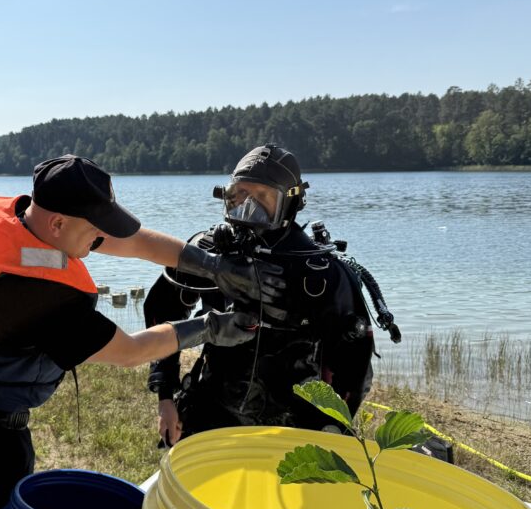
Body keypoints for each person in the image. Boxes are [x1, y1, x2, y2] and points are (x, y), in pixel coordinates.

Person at [0, 154, 283, 509]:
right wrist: (208, 328)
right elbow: (129, 351)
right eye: (94, 228)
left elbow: (130, 241)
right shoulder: (30, 293)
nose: (101, 238)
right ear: (57, 225)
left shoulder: (9, 215)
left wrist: (209, 264)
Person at [145, 144, 400, 446]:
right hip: (214, 407)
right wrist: (166, 396)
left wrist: (333, 431)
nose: (248, 208)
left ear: (290, 203)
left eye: (262, 197)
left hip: (294, 423)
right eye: (239, 195)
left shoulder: (320, 273)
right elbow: (162, 308)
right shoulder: (208, 252)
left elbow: (354, 366)